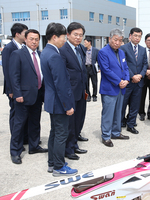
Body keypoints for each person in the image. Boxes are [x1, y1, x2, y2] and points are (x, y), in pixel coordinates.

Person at [40, 22, 77, 176]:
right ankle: (59, 167)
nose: (65, 40)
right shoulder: (54, 55)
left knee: (55, 133)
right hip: (59, 103)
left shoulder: (45, 52)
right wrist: (68, 106)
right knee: (61, 134)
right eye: (63, 37)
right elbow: (61, 84)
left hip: (52, 101)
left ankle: (52, 162)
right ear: (54, 37)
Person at [9, 29, 47, 164]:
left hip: (37, 94)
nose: (34, 42)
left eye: (36, 39)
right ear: (25, 39)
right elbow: (14, 76)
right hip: (23, 96)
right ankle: (15, 151)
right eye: (31, 39)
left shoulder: (40, 55)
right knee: (19, 124)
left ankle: (34, 146)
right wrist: (17, 93)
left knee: (35, 122)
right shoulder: (18, 54)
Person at [60, 22, 88, 160]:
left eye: (80, 35)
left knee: (79, 120)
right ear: (68, 35)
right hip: (70, 92)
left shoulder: (81, 49)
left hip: (81, 91)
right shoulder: (63, 50)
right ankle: (68, 149)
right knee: (70, 123)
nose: (78, 37)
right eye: (75, 34)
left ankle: (74, 144)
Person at [98, 28, 130, 147]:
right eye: (115, 40)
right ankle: (106, 136)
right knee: (108, 113)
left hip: (121, 88)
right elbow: (106, 70)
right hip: (109, 88)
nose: (117, 42)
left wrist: (126, 80)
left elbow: (125, 67)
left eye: (120, 40)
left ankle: (116, 132)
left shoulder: (121, 52)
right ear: (110, 38)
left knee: (118, 112)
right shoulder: (103, 52)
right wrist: (118, 81)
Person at [2, 23, 28, 143]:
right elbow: (7, 71)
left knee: (24, 115)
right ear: (17, 34)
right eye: (25, 33)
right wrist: (11, 90)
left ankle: (25, 137)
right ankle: (16, 140)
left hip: (23, 87)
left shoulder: (23, 47)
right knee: (16, 115)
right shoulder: (9, 48)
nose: (27, 35)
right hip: (14, 89)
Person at [120, 27, 148, 134]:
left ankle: (131, 125)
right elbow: (124, 64)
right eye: (135, 35)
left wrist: (140, 75)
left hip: (139, 82)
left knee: (135, 105)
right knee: (123, 104)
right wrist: (132, 76)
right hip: (128, 82)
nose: (137, 38)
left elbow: (145, 64)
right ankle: (120, 122)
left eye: (139, 36)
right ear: (130, 36)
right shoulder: (124, 48)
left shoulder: (142, 49)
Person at [138, 33, 150, 122]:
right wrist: (145, 71)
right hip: (143, 77)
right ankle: (141, 113)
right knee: (142, 96)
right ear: (145, 41)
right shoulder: (141, 51)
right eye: (148, 40)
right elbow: (139, 63)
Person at [83, 37, 100, 102]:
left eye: (85, 42)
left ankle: (94, 95)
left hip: (92, 68)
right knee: (86, 83)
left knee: (94, 83)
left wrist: (99, 68)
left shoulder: (95, 50)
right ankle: (88, 96)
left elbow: (98, 60)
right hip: (85, 68)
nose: (84, 43)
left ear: (89, 42)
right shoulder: (83, 49)